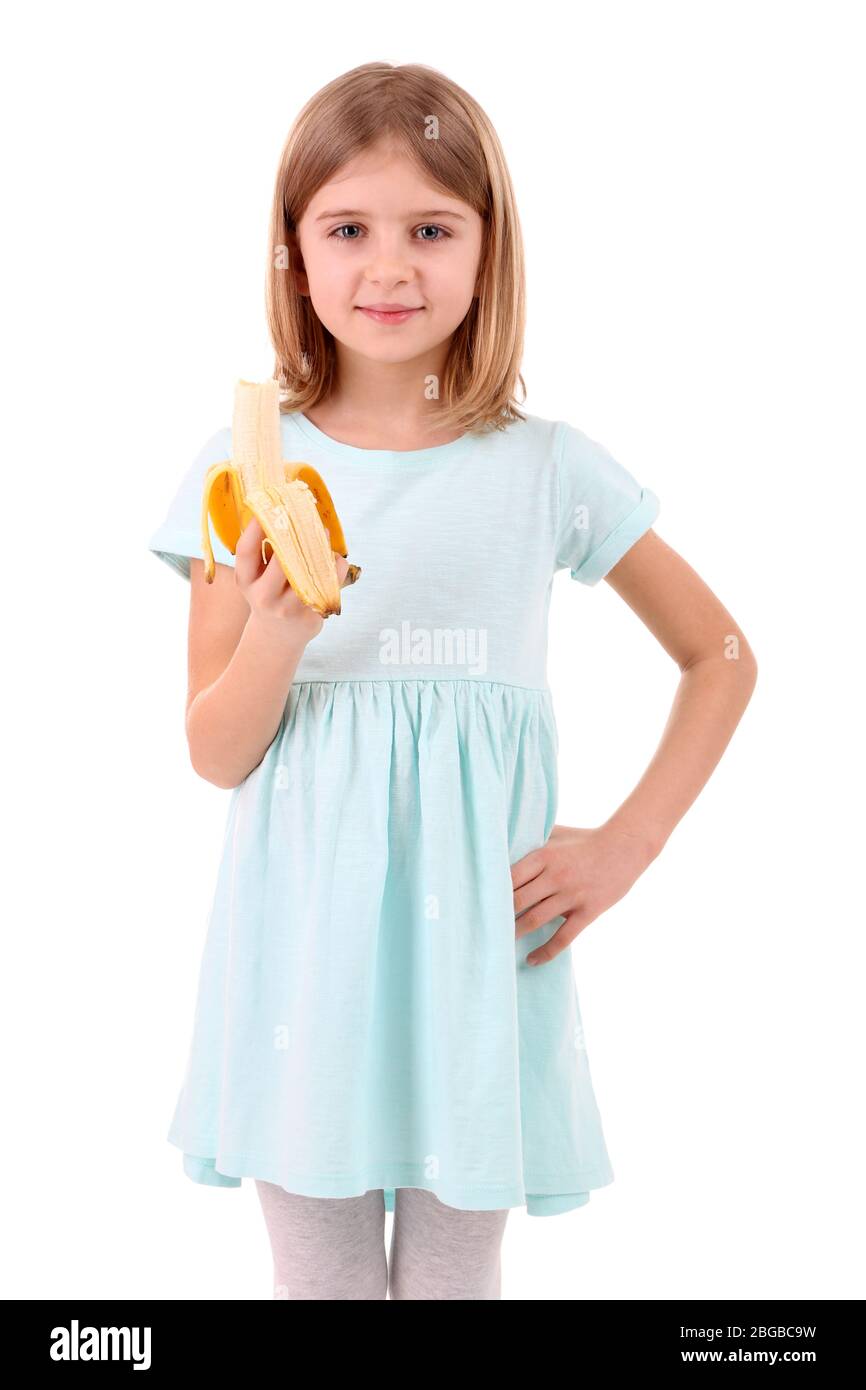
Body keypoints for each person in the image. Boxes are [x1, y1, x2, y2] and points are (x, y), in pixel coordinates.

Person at [147, 62, 758, 1301]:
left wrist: (625, 845)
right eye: (347, 229)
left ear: (488, 251)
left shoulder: (548, 471)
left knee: (450, 1283)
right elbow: (215, 750)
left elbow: (721, 657)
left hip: (478, 961)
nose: (388, 268)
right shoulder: (240, 474)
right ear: (293, 255)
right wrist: (275, 629)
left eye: (431, 229)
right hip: (300, 976)